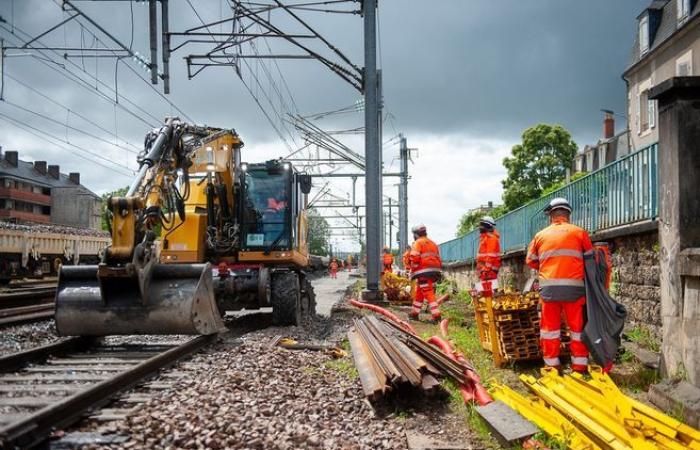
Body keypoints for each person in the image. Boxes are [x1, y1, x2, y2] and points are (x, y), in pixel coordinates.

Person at [526, 197, 593, 373]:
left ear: (551, 216)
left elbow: (530, 261)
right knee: (577, 330)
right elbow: (591, 260)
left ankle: (552, 366)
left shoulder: (540, 235)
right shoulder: (580, 233)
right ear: (568, 214)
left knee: (549, 330)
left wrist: (546, 265)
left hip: (549, 291)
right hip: (575, 291)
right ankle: (580, 366)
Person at [408, 224, 443, 322]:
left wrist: (412, 271)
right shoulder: (433, 243)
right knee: (420, 291)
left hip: (423, 271)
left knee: (428, 292)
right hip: (434, 271)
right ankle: (414, 313)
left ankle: (437, 316)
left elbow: (414, 258)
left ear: (416, 234)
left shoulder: (417, 243)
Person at [476, 216, 501, 281]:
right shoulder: (485, 238)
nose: (480, 227)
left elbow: (491, 256)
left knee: (489, 289)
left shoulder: (491, 238)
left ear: (487, 226)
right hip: (485, 271)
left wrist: (486, 269)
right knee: (485, 290)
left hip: (489, 271)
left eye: (481, 225)